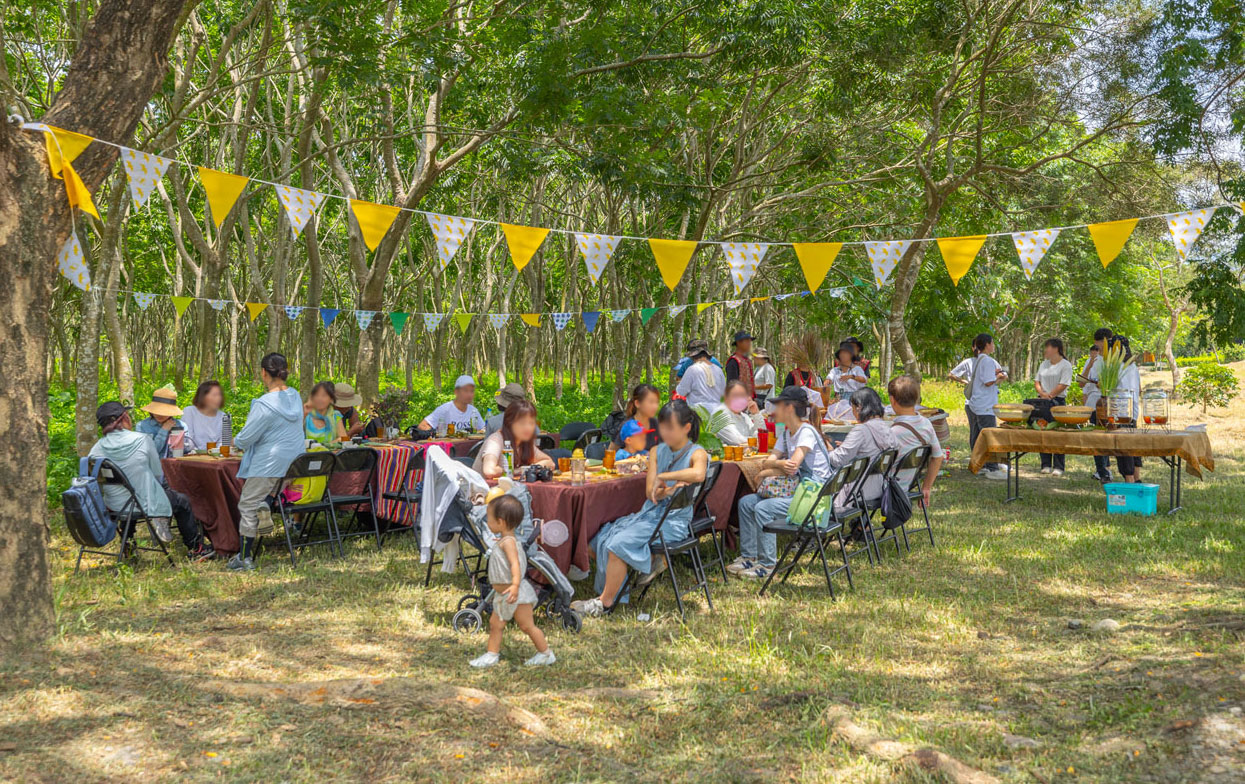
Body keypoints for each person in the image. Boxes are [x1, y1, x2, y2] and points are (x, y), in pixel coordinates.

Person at [573, 400, 708, 617]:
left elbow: (698, 474)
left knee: (618, 543)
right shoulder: (656, 451)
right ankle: (620, 588)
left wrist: (665, 477)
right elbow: (650, 493)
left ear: (686, 428)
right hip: (648, 514)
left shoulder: (696, 452)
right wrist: (667, 491)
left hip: (673, 521)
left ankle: (605, 603)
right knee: (597, 540)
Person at [730, 385, 835, 580]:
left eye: (777, 405)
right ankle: (749, 556)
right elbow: (771, 461)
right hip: (800, 490)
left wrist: (768, 470)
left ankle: (768, 565)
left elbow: (792, 466)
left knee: (763, 508)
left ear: (789, 408)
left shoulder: (806, 432)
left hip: (815, 498)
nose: (773, 410)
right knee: (746, 503)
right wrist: (773, 466)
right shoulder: (787, 433)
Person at [89, 402, 213, 561]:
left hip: (114, 507)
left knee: (131, 492)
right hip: (141, 503)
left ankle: (129, 543)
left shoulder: (96, 449)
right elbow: (157, 475)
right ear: (124, 418)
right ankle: (196, 548)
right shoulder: (141, 440)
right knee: (181, 500)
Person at [229, 353, 305, 572]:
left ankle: (244, 558)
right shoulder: (295, 396)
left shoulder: (264, 404)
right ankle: (269, 502)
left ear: (263, 372)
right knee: (265, 495)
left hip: (269, 463)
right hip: (294, 463)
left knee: (247, 504)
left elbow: (247, 438)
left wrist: (236, 440)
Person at [468, 494, 555, 668]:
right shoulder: (504, 540)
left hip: (516, 594)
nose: (488, 523)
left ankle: (546, 653)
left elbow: (515, 564)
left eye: (490, 519)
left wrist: (515, 585)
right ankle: (492, 654)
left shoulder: (508, 543)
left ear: (500, 522)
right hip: (504, 594)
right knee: (495, 624)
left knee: (527, 626)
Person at [887, 375, 944, 506]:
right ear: (917, 399)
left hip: (888, 487)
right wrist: (926, 487)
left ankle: (863, 526)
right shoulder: (926, 424)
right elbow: (938, 457)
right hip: (910, 483)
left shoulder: (892, 432)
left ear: (892, 400)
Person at [473, 399, 555, 479]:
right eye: (522, 423)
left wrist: (528, 469)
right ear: (510, 423)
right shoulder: (496, 440)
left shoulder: (523, 441)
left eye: (531, 423)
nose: (528, 428)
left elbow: (550, 463)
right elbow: (489, 471)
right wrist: (517, 471)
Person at [964, 333, 1008, 480]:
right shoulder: (988, 360)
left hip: (976, 403)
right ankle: (992, 468)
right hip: (985, 406)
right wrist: (1000, 377)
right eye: (992, 343)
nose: (994, 345)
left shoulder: (978, 359)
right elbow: (988, 382)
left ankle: (978, 464)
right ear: (987, 344)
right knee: (990, 436)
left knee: (977, 436)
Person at [1105, 335, 1143, 483]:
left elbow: (1109, 388)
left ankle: (1130, 482)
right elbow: (1138, 388)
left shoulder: (1115, 367)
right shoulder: (1132, 366)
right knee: (1132, 445)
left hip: (1120, 412)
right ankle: (1137, 479)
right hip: (1132, 410)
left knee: (1123, 448)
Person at [1033, 338, 1073, 475]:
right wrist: (1042, 393)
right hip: (1042, 402)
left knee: (1058, 433)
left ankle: (1059, 466)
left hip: (1058, 402)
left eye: (1047, 347)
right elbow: (1037, 381)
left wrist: (1051, 395)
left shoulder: (1065, 365)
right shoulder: (1044, 364)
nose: (1045, 350)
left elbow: (1064, 384)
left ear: (1056, 349)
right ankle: (1045, 464)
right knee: (1043, 431)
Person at [1081, 328, 1113, 482]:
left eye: (1099, 345)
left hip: (1109, 404)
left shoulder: (1113, 359)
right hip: (1094, 404)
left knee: (1106, 438)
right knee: (1097, 438)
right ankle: (1102, 471)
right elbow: (1082, 382)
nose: (1098, 348)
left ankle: (1105, 470)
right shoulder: (1094, 360)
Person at [418, 375, 486, 433]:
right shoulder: (445, 409)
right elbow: (422, 425)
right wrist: (438, 433)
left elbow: (483, 429)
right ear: (456, 392)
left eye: (472, 391)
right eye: (466, 391)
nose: (469, 394)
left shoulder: (473, 411)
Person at [706, 379, 765, 446]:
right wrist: (758, 440)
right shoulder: (720, 414)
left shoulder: (744, 416)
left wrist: (756, 414)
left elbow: (762, 433)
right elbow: (736, 440)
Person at [604, 383, 662, 450]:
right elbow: (611, 451)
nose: (655, 406)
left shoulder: (656, 424)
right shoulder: (627, 426)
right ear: (637, 403)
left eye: (657, 402)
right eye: (651, 402)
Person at [676, 339, 727, 414]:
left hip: (698, 414)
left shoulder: (692, 370)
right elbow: (724, 393)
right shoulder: (718, 370)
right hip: (717, 414)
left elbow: (681, 392)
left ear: (693, 356)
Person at [134, 386, 186, 459]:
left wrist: (177, 437)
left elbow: (178, 454)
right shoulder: (142, 426)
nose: (160, 415)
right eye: (157, 411)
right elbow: (149, 453)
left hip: (174, 467)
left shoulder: (180, 425)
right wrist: (164, 430)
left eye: (164, 412)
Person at [181, 381, 230, 452]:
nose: (218, 398)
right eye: (214, 395)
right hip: (192, 457)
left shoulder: (224, 416)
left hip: (216, 458)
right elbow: (188, 441)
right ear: (203, 397)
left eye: (220, 395)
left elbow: (225, 444)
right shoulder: (189, 411)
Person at [304, 381, 347, 448]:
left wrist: (327, 445)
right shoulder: (307, 415)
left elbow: (345, 439)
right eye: (316, 395)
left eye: (324, 396)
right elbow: (292, 435)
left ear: (331, 399)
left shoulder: (335, 415)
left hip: (330, 456)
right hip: (309, 456)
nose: (319, 399)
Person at [724, 330, 756, 398]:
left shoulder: (748, 360)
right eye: (747, 341)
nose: (749, 344)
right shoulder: (733, 361)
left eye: (750, 341)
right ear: (738, 343)